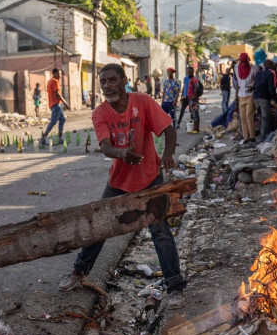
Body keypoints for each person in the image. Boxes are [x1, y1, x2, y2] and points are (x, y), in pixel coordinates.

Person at [58, 63, 186, 309]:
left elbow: (168, 130)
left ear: (124, 80)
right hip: (119, 182)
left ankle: (175, 287)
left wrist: (168, 154)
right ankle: (79, 271)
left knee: (160, 232)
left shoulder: (143, 102)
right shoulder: (101, 113)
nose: (107, 86)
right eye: (103, 82)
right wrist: (121, 153)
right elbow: (105, 147)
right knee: (100, 227)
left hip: (150, 177)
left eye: (112, 80)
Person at [41, 68, 69, 144]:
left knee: (62, 119)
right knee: (53, 121)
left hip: (53, 104)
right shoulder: (55, 81)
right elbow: (57, 94)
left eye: (60, 74)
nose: (59, 76)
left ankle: (60, 138)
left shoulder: (49, 81)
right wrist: (65, 102)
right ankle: (44, 137)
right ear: (54, 73)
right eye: (58, 74)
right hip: (56, 104)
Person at [235, 53, 257, 144]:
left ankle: (252, 137)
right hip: (241, 95)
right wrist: (236, 96)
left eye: (245, 61)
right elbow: (237, 83)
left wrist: (253, 87)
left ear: (248, 60)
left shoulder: (253, 69)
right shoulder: (236, 67)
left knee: (249, 115)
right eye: (241, 61)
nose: (243, 63)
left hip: (250, 95)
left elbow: (256, 81)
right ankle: (246, 137)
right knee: (242, 117)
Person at [253, 60, 276, 142]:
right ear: (269, 65)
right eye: (272, 64)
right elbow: (271, 88)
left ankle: (264, 135)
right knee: (265, 118)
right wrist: (275, 99)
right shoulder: (270, 73)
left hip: (256, 98)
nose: (274, 66)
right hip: (264, 98)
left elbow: (255, 84)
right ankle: (262, 138)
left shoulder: (258, 73)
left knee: (262, 117)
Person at [186, 67, 201, 134]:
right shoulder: (190, 79)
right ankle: (195, 128)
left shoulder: (194, 79)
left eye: (190, 72)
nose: (189, 73)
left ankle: (196, 129)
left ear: (192, 72)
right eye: (188, 72)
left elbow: (197, 86)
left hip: (194, 100)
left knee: (195, 114)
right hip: (191, 99)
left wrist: (194, 96)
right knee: (194, 113)